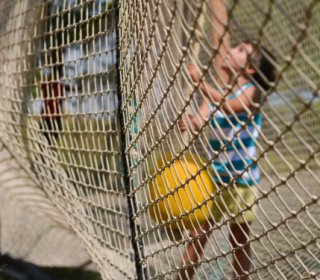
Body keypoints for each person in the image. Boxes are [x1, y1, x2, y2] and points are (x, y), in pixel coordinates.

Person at [177, 0, 276, 279]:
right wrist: (193, 122)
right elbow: (202, 115)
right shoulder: (219, 90)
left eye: (241, 51)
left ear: (251, 70)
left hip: (242, 182)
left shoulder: (251, 93)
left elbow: (230, 107)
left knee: (239, 243)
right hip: (214, 178)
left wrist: (200, 83)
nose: (232, 51)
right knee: (198, 236)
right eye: (236, 46)